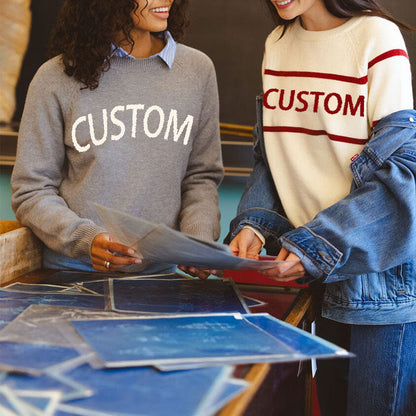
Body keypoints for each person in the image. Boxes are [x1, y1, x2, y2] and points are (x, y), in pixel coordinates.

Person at [226, 1, 416, 415]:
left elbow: (402, 177)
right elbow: (273, 156)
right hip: (322, 279)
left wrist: (317, 246)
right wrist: (255, 224)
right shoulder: (277, 43)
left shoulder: (376, 38)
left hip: (380, 282)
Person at [11, 0, 223, 275]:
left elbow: (201, 177)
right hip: (71, 277)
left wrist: (199, 239)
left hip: (160, 280)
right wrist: (86, 240)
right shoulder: (55, 78)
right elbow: (31, 191)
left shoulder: (197, 70)